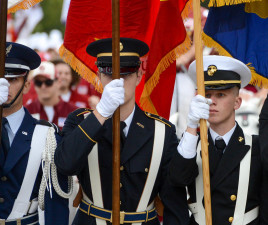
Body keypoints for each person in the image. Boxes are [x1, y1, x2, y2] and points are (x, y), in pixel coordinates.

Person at [54, 38, 190, 225]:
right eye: (109, 73)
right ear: (99, 76)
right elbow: (65, 164)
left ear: (139, 75)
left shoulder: (162, 131)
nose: (117, 81)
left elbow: (174, 202)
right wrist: (101, 113)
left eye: (125, 73)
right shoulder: (81, 121)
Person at [0, 41, 69, 225]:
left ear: (26, 86)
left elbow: (56, 207)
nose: (3, 86)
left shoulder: (47, 137)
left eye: (12, 79)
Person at [168, 55, 268, 225]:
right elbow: (177, 179)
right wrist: (191, 125)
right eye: (207, 95)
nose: (211, 102)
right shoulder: (190, 145)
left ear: (237, 102)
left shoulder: (257, 147)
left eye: (220, 94)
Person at [26, 61, 77, 129]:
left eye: (48, 82)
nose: (43, 87)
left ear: (58, 82)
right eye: (38, 83)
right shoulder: (26, 112)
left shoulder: (73, 112)